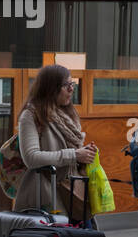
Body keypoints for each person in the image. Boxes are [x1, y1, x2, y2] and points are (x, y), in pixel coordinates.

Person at [13, 64, 97, 216]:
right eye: (66, 85)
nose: (71, 89)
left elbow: (73, 153)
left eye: (72, 84)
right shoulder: (31, 115)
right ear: (50, 88)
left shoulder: (67, 113)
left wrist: (85, 155)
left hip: (73, 191)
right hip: (46, 194)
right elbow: (31, 158)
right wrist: (74, 155)